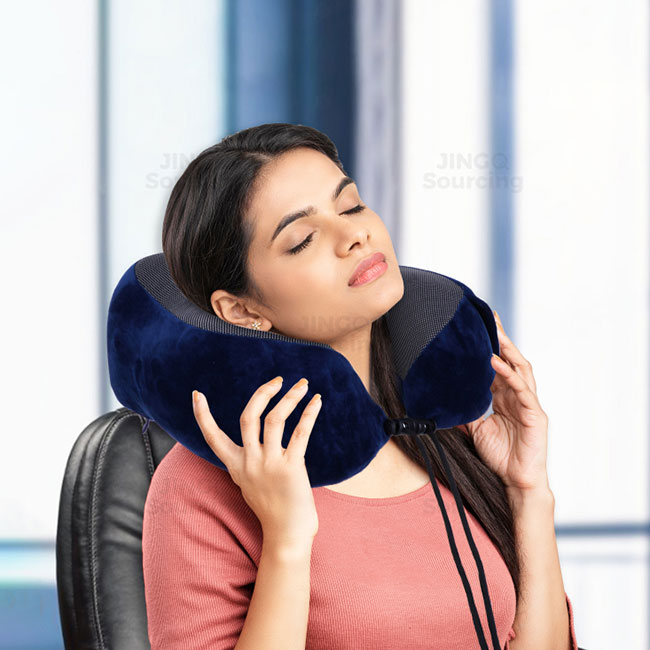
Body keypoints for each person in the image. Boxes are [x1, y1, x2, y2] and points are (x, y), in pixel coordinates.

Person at [141, 122, 579, 649]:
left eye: (350, 207)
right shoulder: (197, 485)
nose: (354, 236)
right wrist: (286, 540)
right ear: (241, 309)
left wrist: (528, 491)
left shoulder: (446, 430)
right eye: (302, 240)